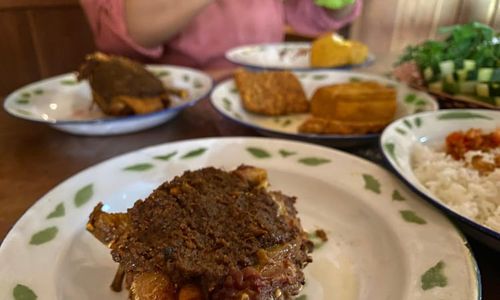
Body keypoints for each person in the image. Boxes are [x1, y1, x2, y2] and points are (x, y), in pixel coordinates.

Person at [80, 0, 362, 68]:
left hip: (267, 92)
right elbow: (126, 36)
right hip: (179, 114)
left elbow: (315, 15)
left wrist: (338, 4)